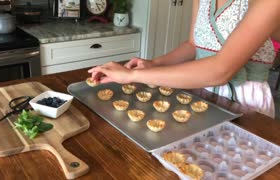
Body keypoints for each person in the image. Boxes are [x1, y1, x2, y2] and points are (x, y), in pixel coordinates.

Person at [89, 0, 280, 118]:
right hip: (201, 90)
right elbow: (193, 45)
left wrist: (132, 75)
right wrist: (153, 63)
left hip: (246, 100)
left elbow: (221, 70)